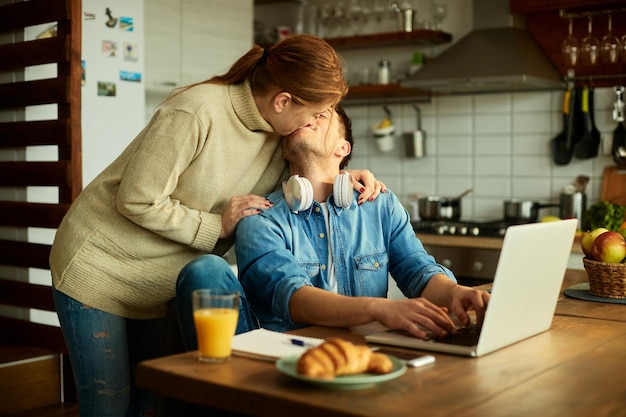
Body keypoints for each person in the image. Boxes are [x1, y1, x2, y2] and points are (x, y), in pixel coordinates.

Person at [49, 34, 384, 417]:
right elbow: (137, 198)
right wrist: (216, 226)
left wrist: (345, 174)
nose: (314, 123)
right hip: (100, 268)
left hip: (157, 282)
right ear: (283, 101)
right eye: (315, 113)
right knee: (108, 403)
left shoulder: (280, 136)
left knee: (146, 403)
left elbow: (303, 176)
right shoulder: (197, 111)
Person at [177, 106, 489, 346]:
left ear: (343, 148)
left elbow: (417, 270)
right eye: (300, 116)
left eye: (322, 115)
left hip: (366, 348)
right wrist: (380, 309)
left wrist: (454, 293)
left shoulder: (380, 204)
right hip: (288, 354)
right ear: (283, 148)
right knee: (204, 268)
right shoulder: (260, 216)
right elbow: (292, 297)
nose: (307, 118)